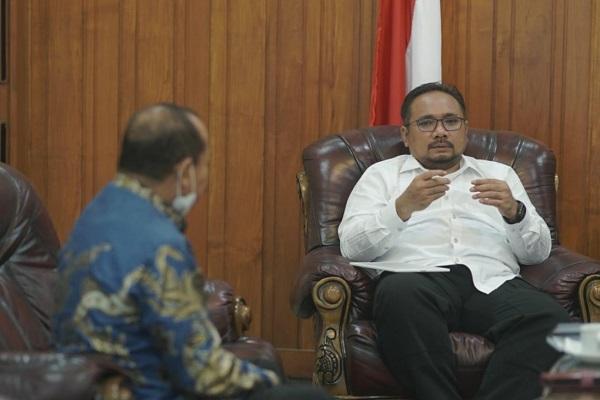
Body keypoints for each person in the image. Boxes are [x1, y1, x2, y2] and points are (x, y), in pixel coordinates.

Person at [52, 103, 331, 400]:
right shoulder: (160, 244)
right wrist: (271, 382)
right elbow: (202, 371)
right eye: (205, 165)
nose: (205, 178)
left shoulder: (95, 214)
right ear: (185, 172)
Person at [338, 82, 570, 400]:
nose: (440, 132)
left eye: (450, 121)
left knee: (553, 323)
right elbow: (351, 246)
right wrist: (401, 209)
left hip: (492, 280)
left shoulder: (499, 175)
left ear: (465, 129)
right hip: (416, 277)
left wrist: (514, 212)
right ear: (405, 134)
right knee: (399, 295)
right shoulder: (382, 176)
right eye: (426, 123)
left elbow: (538, 253)